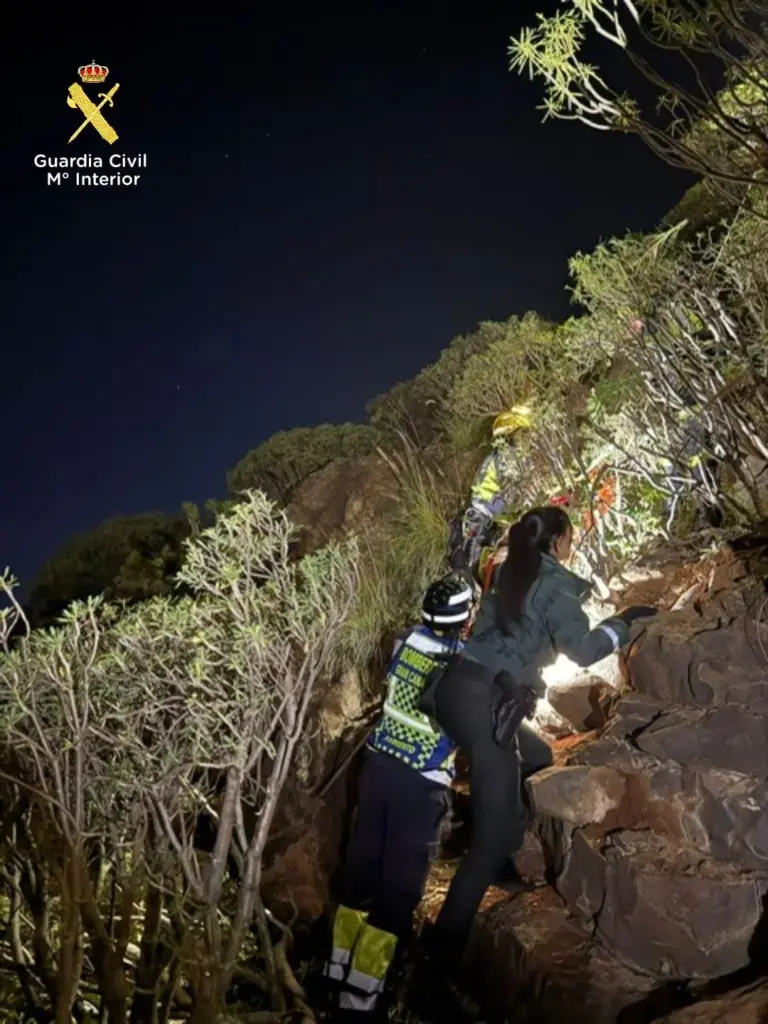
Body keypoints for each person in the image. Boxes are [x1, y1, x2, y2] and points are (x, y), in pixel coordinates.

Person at [427, 506, 656, 965]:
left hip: (457, 691)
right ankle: (440, 952)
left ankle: (509, 853)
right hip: (486, 705)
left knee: (536, 754)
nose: (573, 543)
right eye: (570, 537)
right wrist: (626, 620)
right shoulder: (551, 585)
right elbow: (586, 648)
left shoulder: (510, 573)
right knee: (487, 839)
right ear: (557, 541)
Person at [324, 573, 475, 1018]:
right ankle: (362, 999)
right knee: (398, 892)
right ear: (464, 621)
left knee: (361, 872)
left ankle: (334, 975)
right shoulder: (459, 665)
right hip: (420, 785)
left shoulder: (405, 642)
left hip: (378, 772)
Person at [448, 406, 534, 576]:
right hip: (483, 517)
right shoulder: (506, 454)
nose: (527, 437)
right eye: (522, 432)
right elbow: (512, 491)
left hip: (484, 516)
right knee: (477, 568)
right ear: (512, 432)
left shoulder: (499, 454)